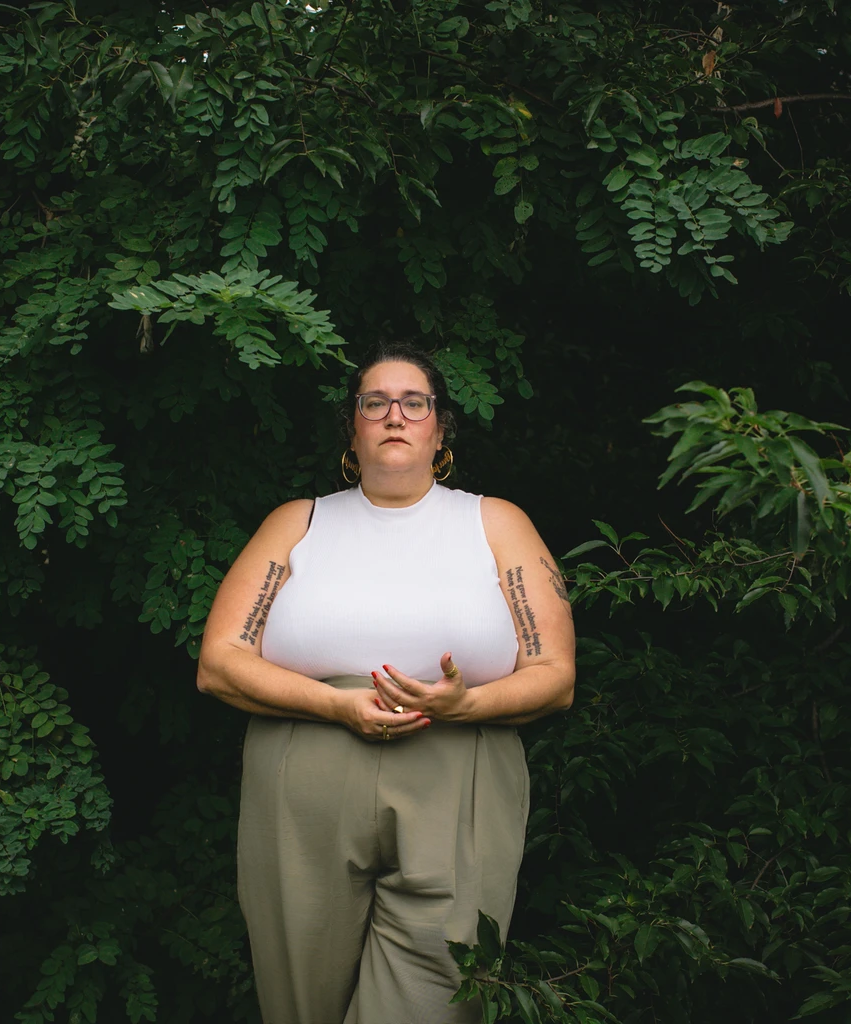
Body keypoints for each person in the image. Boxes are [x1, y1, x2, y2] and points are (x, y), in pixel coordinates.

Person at [196, 341, 576, 1023]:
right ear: (353, 428)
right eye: (375, 402)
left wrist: (468, 704)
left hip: (458, 769)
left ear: (440, 429)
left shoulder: (496, 524)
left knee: (436, 992)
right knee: (299, 1002)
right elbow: (220, 661)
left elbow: (554, 677)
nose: (394, 415)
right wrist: (336, 706)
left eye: (414, 403)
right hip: (303, 776)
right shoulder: (298, 523)